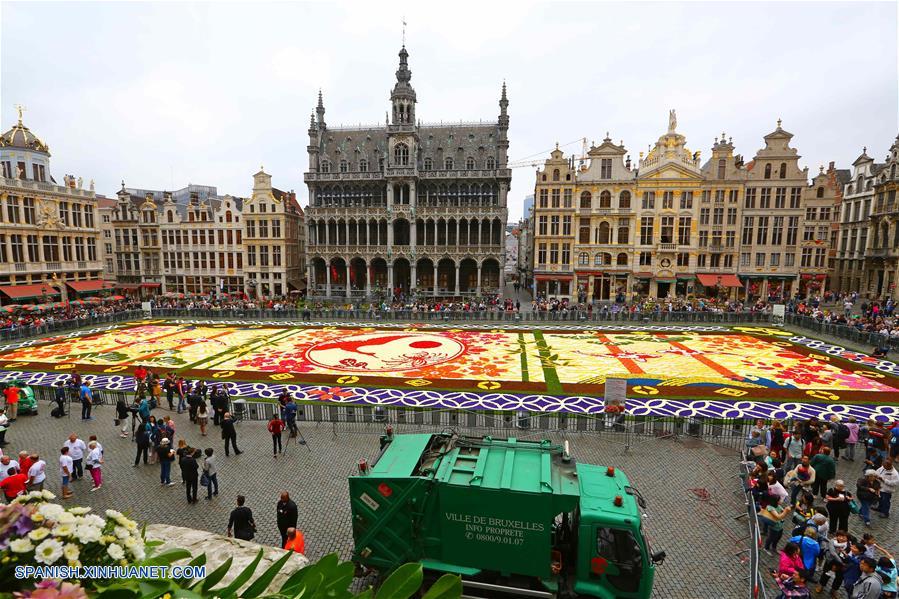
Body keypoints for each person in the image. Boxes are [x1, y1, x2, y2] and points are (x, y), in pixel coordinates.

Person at [816, 529, 850, 596]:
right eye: (839, 536)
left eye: (843, 537)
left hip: (841, 565)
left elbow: (848, 556)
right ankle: (821, 585)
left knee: (839, 578)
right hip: (830, 562)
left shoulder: (848, 545)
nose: (841, 538)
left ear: (847, 539)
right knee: (825, 575)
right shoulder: (832, 542)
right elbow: (832, 553)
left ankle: (834, 590)